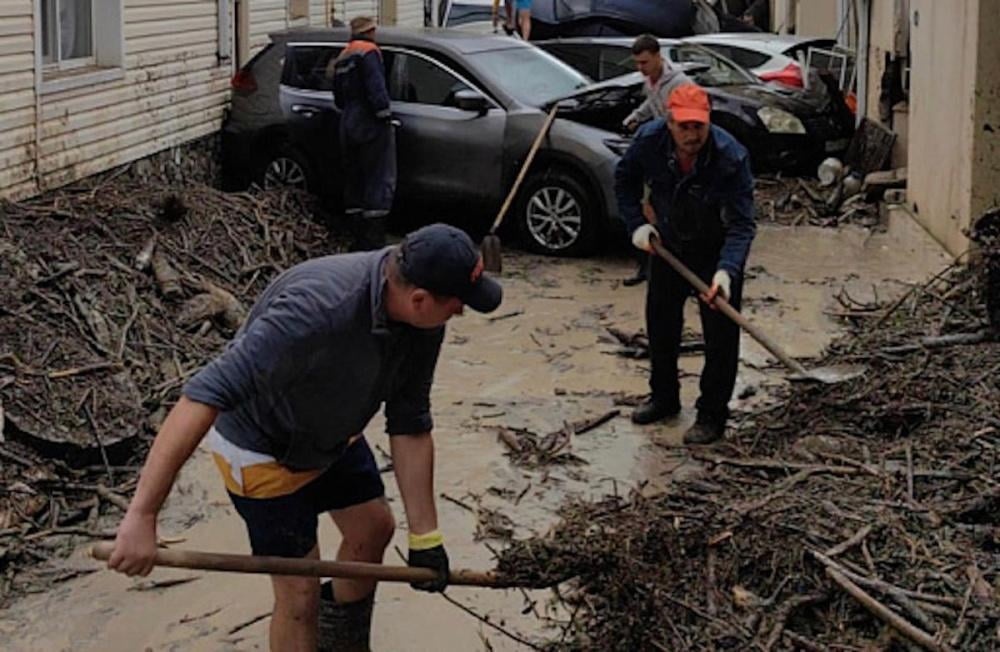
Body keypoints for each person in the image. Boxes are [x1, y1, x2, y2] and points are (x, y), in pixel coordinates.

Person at [107, 223, 503, 650]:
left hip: (332, 434)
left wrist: (426, 538)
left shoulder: (422, 317)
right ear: (420, 299)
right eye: (458, 305)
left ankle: (342, 644)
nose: (460, 313)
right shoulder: (316, 310)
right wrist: (143, 516)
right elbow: (202, 396)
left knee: (373, 530)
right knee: (300, 594)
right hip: (262, 450)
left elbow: (409, 421)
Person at [615, 84, 755, 445]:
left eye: (699, 126)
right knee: (661, 326)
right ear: (670, 122)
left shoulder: (729, 156)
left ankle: (712, 413)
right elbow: (624, 181)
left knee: (721, 338)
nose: (692, 135)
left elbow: (742, 224)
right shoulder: (649, 142)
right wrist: (637, 226)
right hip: (668, 246)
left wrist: (726, 272)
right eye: (684, 127)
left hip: (716, 250)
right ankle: (664, 398)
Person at [621, 34, 692, 287]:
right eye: (637, 63)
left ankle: (681, 271)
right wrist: (633, 119)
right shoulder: (650, 82)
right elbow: (651, 106)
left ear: (658, 57)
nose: (641, 69)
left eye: (645, 63)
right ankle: (646, 267)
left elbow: (682, 119)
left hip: (678, 154)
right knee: (647, 207)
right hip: (659, 152)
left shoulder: (680, 84)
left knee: (675, 211)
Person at [332, 16, 396, 251]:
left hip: (347, 122)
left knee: (355, 178)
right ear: (370, 31)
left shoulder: (344, 55)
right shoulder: (369, 52)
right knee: (378, 177)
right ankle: (373, 241)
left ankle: (356, 237)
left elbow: (338, 97)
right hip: (369, 122)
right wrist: (385, 115)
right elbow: (376, 88)